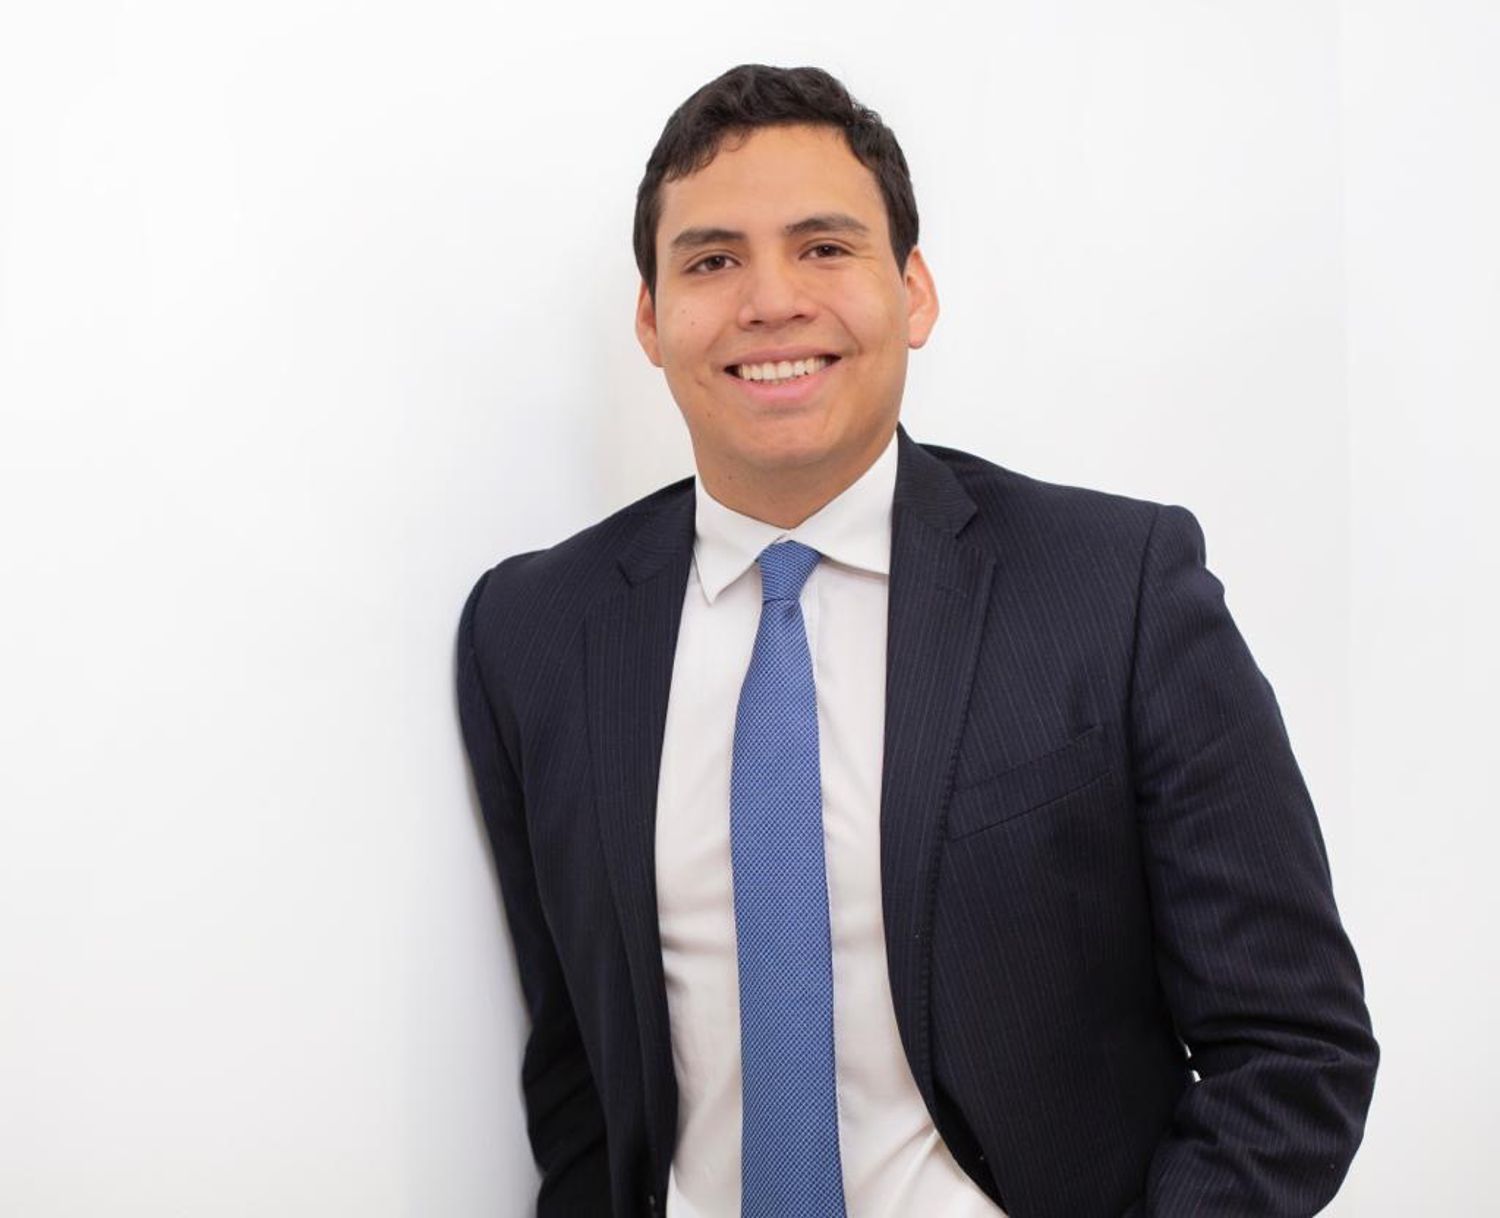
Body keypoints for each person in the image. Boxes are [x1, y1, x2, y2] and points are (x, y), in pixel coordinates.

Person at [455, 64, 1377, 1218]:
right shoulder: (534, 631)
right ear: (651, 319)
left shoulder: (1118, 590)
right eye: (712, 261)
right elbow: (576, 1079)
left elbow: (1292, 1047)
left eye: (824, 247)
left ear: (914, 292)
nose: (771, 300)